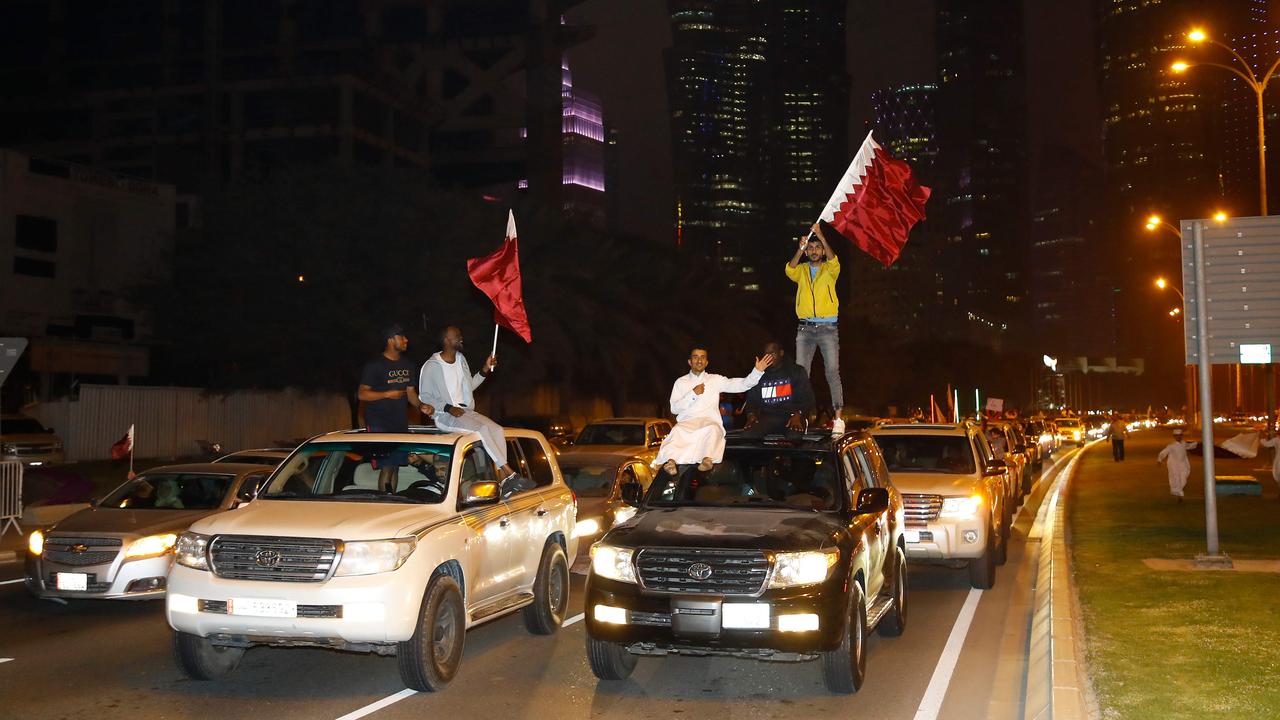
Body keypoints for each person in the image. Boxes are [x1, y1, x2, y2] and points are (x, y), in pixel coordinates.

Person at [418, 326, 528, 490]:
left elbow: (469, 387)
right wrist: (448, 408)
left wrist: (485, 368)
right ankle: (509, 473)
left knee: (497, 430)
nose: (461, 338)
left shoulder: (461, 359)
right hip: (445, 415)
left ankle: (503, 482)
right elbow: (425, 397)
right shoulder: (431, 366)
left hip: (465, 412)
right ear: (447, 340)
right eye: (457, 336)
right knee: (482, 429)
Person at [656, 347, 774, 474]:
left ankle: (707, 460)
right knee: (678, 431)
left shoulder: (715, 380)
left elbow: (741, 384)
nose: (699, 360)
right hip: (688, 422)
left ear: (706, 362)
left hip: (709, 421)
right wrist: (693, 394)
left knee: (713, 429)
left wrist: (757, 371)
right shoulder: (680, 382)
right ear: (690, 362)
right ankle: (671, 462)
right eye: (695, 357)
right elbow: (674, 408)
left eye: (702, 357)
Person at [785, 222, 844, 433]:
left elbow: (834, 259)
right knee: (802, 373)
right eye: (811, 247)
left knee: (832, 372)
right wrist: (799, 249)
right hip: (805, 329)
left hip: (828, 328)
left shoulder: (830, 269)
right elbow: (789, 270)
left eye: (817, 247)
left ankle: (838, 419)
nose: (814, 250)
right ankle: (800, 416)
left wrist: (821, 236)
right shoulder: (801, 270)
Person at [357, 323, 422, 433]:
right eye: (401, 337)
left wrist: (421, 405)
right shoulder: (374, 365)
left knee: (401, 451)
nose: (406, 340)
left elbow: (410, 393)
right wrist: (387, 394)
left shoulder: (408, 364)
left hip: (400, 424)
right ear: (390, 340)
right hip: (378, 425)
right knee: (380, 451)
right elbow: (362, 394)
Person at [742, 341, 816, 437]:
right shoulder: (759, 375)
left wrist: (798, 415)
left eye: (773, 353)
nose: (769, 357)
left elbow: (807, 399)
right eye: (766, 354)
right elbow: (752, 400)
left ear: (781, 353)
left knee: (794, 436)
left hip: (793, 416)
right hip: (768, 417)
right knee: (748, 435)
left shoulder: (796, 371)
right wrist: (751, 416)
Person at [1157, 429, 1198, 501]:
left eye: (1180, 436)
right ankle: (1180, 495)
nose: (1178, 437)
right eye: (1177, 436)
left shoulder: (1183, 443)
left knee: (1183, 478)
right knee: (1176, 479)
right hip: (1174, 465)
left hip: (1183, 464)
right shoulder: (1171, 446)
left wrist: (1197, 443)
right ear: (1174, 437)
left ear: (1181, 436)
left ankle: (1178, 491)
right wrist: (1159, 459)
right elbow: (1164, 452)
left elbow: (1190, 446)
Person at [1261, 430, 1280, 497]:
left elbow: (1266, 443)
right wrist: (1265, 436)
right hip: (1278, 461)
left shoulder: (1276, 440)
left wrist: (1264, 436)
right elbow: (1266, 444)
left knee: (1278, 477)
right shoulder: (1277, 440)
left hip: (1278, 462)